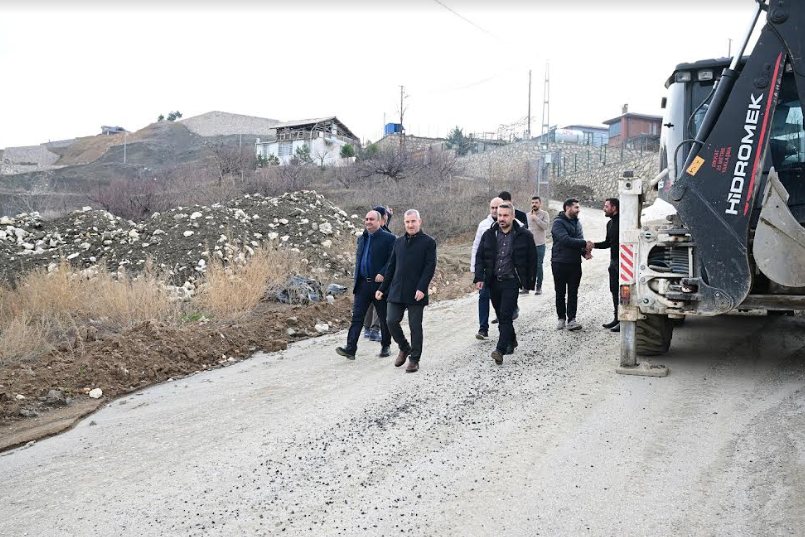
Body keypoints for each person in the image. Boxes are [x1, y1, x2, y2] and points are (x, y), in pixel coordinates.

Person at [474, 203, 537, 365]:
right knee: (501, 314)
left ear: (513, 216)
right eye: (499, 215)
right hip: (493, 281)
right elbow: (480, 257)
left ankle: (500, 349)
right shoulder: (489, 234)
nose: (501, 218)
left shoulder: (524, 235)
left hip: (511, 281)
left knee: (505, 315)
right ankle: (512, 340)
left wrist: (529, 282)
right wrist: (479, 277)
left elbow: (532, 260)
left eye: (505, 215)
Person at [376, 209, 437, 373]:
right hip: (397, 289)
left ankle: (414, 359)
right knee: (390, 320)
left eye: (413, 221)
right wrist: (383, 288)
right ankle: (404, 347)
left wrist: (422, 288)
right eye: (407, 222)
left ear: (420, 221)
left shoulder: (429, 242)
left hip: (417, 292)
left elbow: (429, 268)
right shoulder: (398, 242)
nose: (410, 225)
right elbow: (391, 266)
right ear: (404, 223)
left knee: (415, 326)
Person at [336, 210, 396, 360]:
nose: (368, 222)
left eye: (371, 219)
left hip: (379, 286)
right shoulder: (361, 238)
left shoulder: (389, 238)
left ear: (379, 221)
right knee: (357, 317)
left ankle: (385, 346)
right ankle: (350, 349)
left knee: (383, 317)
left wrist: (383, 273)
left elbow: (393, 259)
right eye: (366, 219)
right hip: (362, 284)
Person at [551, 198, 591, 331]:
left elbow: (578, 241)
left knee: (573, 292)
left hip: (574, 263)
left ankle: (572, 320)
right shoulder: (558, 223)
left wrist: (585, 252)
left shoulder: (577, 223)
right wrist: (585, 243)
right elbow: (565, 240)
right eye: (576, 207)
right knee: (560, 292)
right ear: (568, 208)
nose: (578, 210)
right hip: (559, 262)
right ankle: (561, 318)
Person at [470, 197, 502, 340]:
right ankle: (483, 328)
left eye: (498, 207)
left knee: (501, 299)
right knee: (483, 296)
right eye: (492, 207)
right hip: (486, 270)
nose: (495, 210)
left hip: (503, 270)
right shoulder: (483, 225)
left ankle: (504, 327)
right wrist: (475, 271)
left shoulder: (510, 224)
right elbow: (476, 248)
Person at [363, 205, 394, 341]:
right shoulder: (378, 234)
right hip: (379, 274)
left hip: (369, 275)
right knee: (378, 300)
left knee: (371, 302)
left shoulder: (372, 233)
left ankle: (367, 329)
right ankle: (374, 330)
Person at [593, 198, 620, 332]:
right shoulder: (610, 224)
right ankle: (617, 318)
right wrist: (593, 245)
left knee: (623, 292)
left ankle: (623, 320)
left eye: (606, 206)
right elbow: (607, 243)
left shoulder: (624, 222)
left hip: (624, 263)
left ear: (614, 208)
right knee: (614, 290)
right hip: (613, 262)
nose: (604, 208)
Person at [527, 196, 551, 295]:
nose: (534, 204)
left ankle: (538, 287)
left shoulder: (545, 214)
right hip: (529, 245)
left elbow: (545, 226)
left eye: (536, 202)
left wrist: (536, 218)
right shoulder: (527, 215)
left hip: (540, 244)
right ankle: (526, 287)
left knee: (538, 266)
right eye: (532, 202)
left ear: (540, 203)